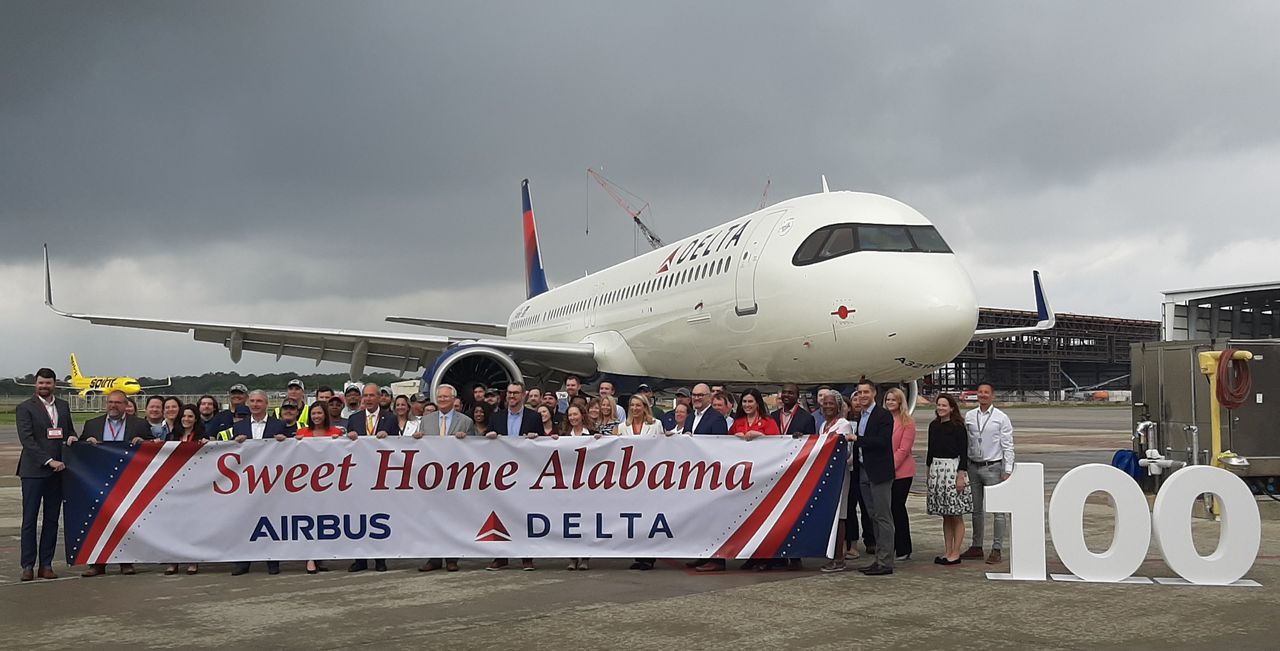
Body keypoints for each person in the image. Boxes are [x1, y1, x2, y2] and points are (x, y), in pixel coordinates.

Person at [75, 389, 154, 576]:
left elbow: (153, 446)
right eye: (110, 402)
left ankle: (126, 561)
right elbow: (79, 450)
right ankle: (97, 563)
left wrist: (143, 442)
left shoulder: (139, 424)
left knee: (127, 519)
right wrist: (87, 442)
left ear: (126, 405)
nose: (113, 406)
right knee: (99, 520)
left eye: (118, 403)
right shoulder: (92, 424)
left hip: (128, 478)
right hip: (99, 479)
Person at [15, 368, 74, 582]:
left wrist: (72, 439)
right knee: (29, 519)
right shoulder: (24, 408)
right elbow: (28, 440)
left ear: (54, 384)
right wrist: (49, 461)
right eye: (40, 383)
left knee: (52, 519)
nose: (44, 386)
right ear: (35, 384)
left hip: (58, 473)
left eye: (47, 383)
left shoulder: (63, 406)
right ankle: (28, 565)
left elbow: (68, 432)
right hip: (34, 471)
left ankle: (46, 564)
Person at [229, 390, 292, 576]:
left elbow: (289, 450)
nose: (255, 404)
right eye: (253, 401)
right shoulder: (239, 427)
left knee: (271, 521)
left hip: (271, 479)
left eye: (259, 401)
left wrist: (284, 441)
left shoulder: (279, 425)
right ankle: (243, 562)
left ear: (266, 404)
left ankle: (272, 561)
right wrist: (236, 442)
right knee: (244, 521)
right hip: (247, 481)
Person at [485, 382, 540, 571]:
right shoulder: (497, 417)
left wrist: (536, 438)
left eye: (516, 393)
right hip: (502, 476)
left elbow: (544, 444)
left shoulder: (534, 417)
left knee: (525, 514)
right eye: (509, 393)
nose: (512, 396)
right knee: (501, 515)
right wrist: (488, 436)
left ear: (523, 395)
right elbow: (484, 441)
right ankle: (501, 556)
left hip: (526, 474)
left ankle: (527, 557)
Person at [345, 384, 398, 573]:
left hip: (380, 477)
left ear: (378, 398)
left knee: (379, 519)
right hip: (358, 476)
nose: (367, 399)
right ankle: (360, 560)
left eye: (371, 396)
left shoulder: (390, 419)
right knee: (358, 518)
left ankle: (380, 559)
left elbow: (398, 445)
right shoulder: (354, 419)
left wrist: (388, 436)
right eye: (365, 396)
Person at [961, 381, 1015, 565]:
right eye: (980, 392)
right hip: (973, 466)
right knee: (976, 510)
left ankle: (997, 548)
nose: (982, 395)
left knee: (997, 511)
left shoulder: (1001, 418)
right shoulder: (969, 416)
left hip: (993, 466)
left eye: (986, 392)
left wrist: (1008, 469)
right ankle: (976, 546)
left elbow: (1007, 445)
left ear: (992, 396)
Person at [729, 388, 783, 570]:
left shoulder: (768, 422)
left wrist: (762, 437)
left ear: (758, 403)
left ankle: (766, 557)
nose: (747, 405)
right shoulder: (738, 423)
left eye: (750, 402)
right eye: (744, 402)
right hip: (743, 479)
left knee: (763, 516)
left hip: (764, 476)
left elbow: (779, 445)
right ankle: (751, 554)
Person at [853, 380, 896, 576]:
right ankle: (879, 558)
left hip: (878, 473)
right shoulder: (861, 416)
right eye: (859, 392)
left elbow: (882, 441)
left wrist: (857, 440)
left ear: (874, 394)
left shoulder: (882, 415)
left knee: (883, 516)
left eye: (865, 392)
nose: (862, 396)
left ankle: (886, 560)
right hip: (863, 470)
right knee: (872, 517)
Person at [295, 402, 343, 574]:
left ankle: (319, 556)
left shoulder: (336, 433)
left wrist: (344, 440)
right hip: (306, 484)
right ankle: (310, 558)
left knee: (325, 522)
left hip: (330, 484)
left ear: (325, 415)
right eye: (313, 413)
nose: (316, 416)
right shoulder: (302, 433)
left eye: (319, 413)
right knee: (310, 521)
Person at [927, 394, 972, 565]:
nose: (940, 408)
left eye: (944, 405)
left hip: (952, 469)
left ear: (952, 408)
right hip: (937, 469)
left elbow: (963, 453)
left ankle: (956, 551)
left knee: (956, 514)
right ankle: (947, 551)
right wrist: (929, 473)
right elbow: (930, 451)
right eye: (939, 405)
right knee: (945, 514)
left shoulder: (958, 427)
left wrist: (961, 476)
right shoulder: (933, 426)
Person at [818, 391, 858, 573]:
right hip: (826, 475)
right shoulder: (824, 425)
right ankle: (832, 554)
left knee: (840, 515)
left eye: (831, 404)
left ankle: (839, 557)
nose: (827, 407)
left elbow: (845, 451)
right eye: (825, 403)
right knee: (831, 515)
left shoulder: (844, 425)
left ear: (839, 406)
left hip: (840, 475)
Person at [165, 405, 206, 576]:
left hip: (195, 486)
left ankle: (192, 559)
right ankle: (173, 560)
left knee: (191, 525)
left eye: (190, 416)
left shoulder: (202, 438)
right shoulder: (171, 437)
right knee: (174, 525)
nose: (186, 419)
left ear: (196, 419)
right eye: (184, 416)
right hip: (174, 485)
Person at [885, 387, 916, 561]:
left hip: (901, 472)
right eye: (888, 399)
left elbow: (904, 450)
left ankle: (904, 547)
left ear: (900, 402)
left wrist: (890, 467)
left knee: (897, 508)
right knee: (887, 510)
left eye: (893, 400)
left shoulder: (907, 422)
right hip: (886, 471)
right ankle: (892, 544)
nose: (890, 402)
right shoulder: (884, 420)